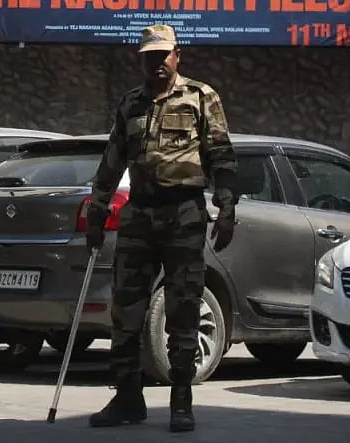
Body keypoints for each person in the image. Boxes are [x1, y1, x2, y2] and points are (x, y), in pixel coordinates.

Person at [85, 24, 238, 433]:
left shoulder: (201, 98)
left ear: (177, 55)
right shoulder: (130, 104)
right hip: (139, 214)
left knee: (183, 308)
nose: (157, 63)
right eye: (150, 57)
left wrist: (226, 209)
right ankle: (127, 398)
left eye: (163, 56)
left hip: (183, 214)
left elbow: (221, 155)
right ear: (142, 59)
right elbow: (111, 162)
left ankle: (181, 401)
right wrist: (96, 213)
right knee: (126, 309)